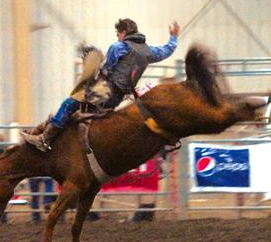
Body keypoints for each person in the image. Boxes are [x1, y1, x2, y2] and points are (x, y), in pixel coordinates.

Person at [22, 18, 180, 152]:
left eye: (118, 34)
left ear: (123, 32)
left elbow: (106, 69)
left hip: (105, 92)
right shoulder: (148, 52)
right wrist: (173, 37)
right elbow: (167, 50)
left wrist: (90, 61)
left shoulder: (119, 47)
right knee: (81, 111)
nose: (118, 37)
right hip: (118, 98)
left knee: (69, 104)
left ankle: (45, 139)